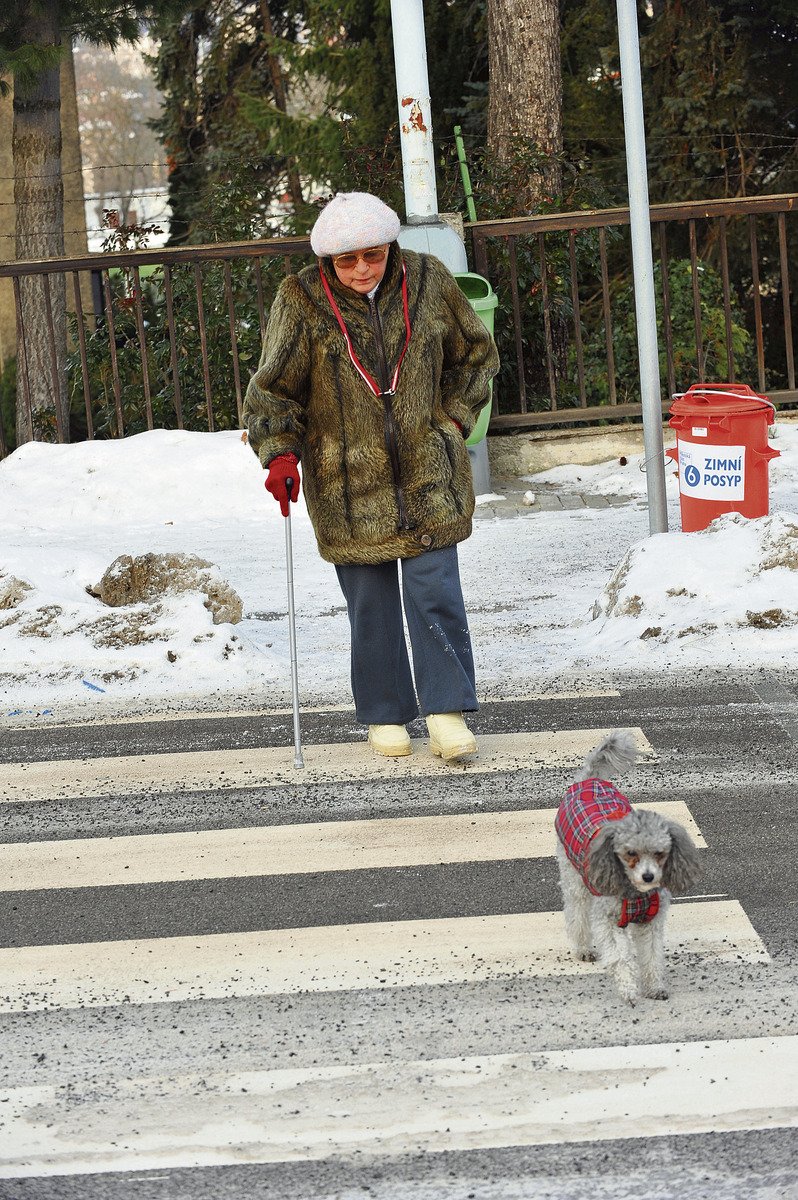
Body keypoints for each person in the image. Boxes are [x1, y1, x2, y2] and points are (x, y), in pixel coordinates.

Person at [243, 191, 499, 761]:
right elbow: (273, 390)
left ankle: (447, 711)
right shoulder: (301, 301)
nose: (362, 269)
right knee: (371, 605)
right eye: (346, 260)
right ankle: (385, 713)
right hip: (346, 485)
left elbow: (476, 356)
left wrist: (453, 419)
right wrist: (281, 454)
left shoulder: (430, 280)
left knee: (435, 594)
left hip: (429, 473)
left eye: (373, 255)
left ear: (391, 247)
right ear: (327, 262)